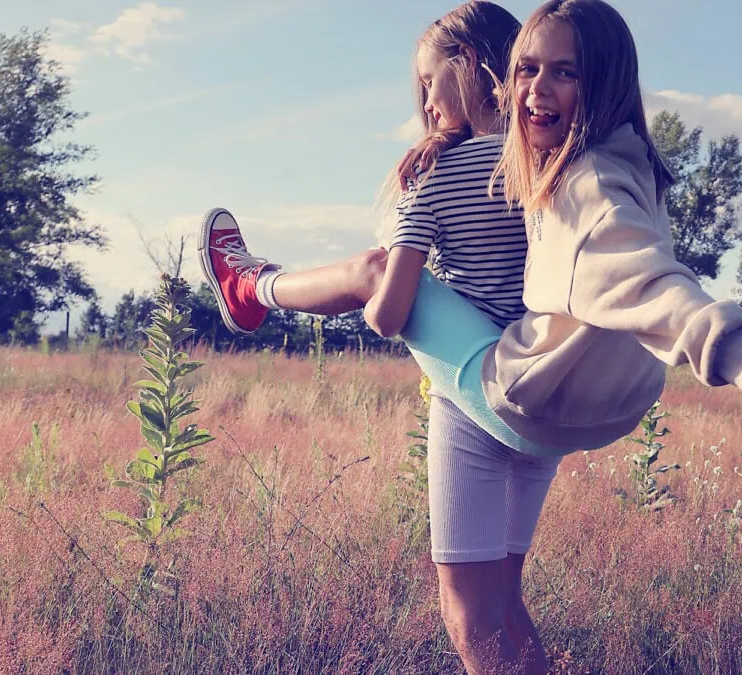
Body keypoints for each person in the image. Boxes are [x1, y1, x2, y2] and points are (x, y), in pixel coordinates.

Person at [198, 3, 555, 671]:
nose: (422, 99)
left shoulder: (438, 174)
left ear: (472, 69)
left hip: (477, 401)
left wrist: (378, 309)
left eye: (428, 81)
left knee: (468, 610)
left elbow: (389, 312)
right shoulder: (548, 162)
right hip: (548, 398)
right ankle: (253, 285)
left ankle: (253, 288)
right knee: (507, 595)